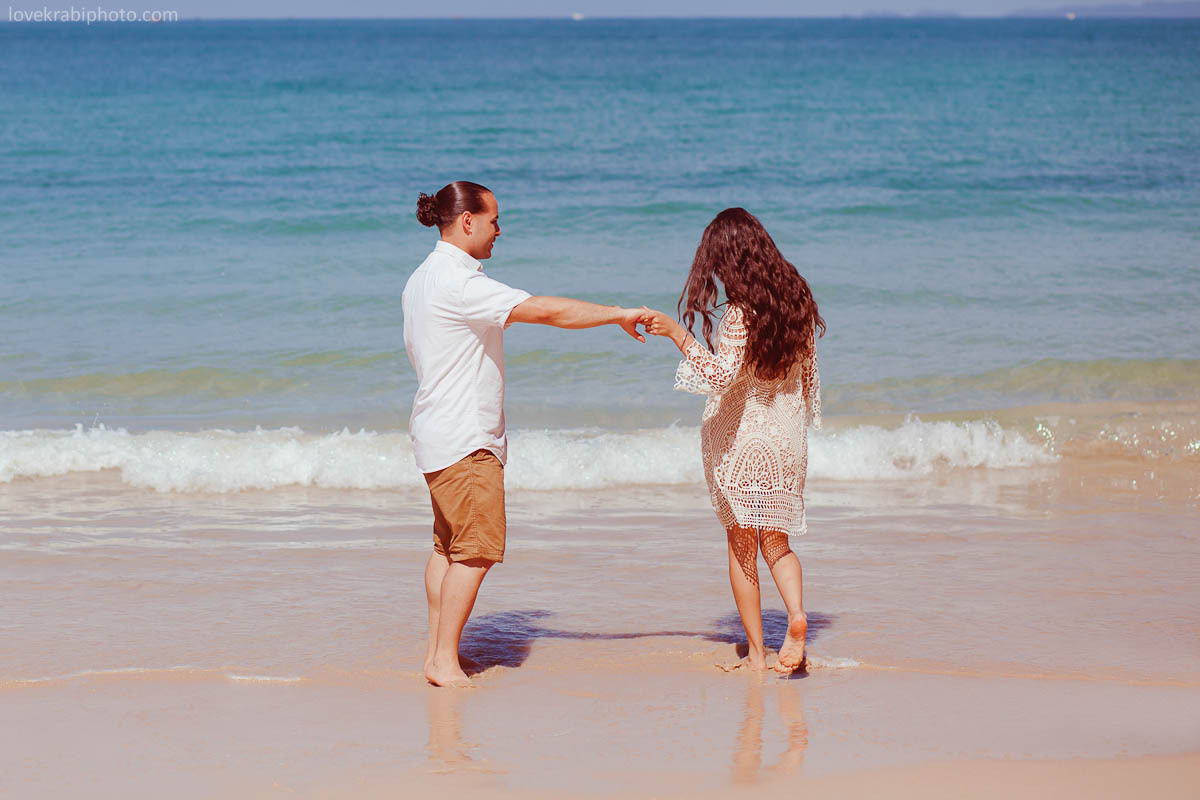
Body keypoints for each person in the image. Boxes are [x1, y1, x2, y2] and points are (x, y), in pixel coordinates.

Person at [404, 181, 647, 688]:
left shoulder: (421, 279)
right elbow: (549, 311)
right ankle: (443, 661)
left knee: (447, 549)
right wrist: (618, 314)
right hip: (466, 439)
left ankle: (436, 652)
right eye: (494, 220)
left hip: (434, 433)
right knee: (476, 551)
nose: (500, 230)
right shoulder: (461, 285)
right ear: (467, 221)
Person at [641, 207, 824, 673]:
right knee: (777, 543)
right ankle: (797, 615)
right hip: (786, 440)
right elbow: (809, 378)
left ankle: (757, 656)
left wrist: (677, 334)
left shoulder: (740, 314)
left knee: (741, 546)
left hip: (745, 442)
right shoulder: (798, 301)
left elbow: (721, 376)